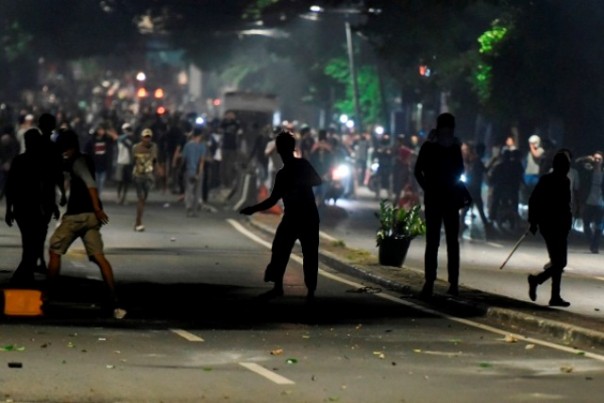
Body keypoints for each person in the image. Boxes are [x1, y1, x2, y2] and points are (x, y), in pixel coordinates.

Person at [46, 129, 126, 319]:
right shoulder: (84, 159)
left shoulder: (78, 162)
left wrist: (97, 208)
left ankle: (48, 294)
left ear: (68, 147)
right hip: (91, 218)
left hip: (78, 215)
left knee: (54, 250)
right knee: (98, 256)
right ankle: (113, 297)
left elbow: (90, 184)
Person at [239, 130, 322, 301]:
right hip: (303, 216)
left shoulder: (287, 173)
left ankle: (295, 289)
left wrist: (252, 209)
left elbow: (272, 200)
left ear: (278, 150)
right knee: (294, 251)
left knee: (290, 251)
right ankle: (302, 290)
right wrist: (253, 209)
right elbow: (316, 181)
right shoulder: (296, 168)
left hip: (299, 217)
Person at [414, 113, 465, 298]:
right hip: (439, 198)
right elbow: (417, 171)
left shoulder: (445, 147)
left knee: (447, 242)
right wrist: (429, 188)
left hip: (445, 199)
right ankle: (432, 281)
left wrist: (428, 187)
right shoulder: (432, 147)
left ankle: (450, 283)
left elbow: (460, 170)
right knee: (437, 242)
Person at [4, 129, 59, 284]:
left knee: (29, 241)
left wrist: (9, 209)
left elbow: (11, 187)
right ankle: (24, 273)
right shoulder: (42, 161)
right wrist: (52, 205)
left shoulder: (20, 160)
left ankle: (24, 273)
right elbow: (48, 185)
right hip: (37, 208)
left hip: (24, 207)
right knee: (34, 241)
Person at [527, 151, 573, 307]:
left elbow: (566, 205)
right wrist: (533, 222)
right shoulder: (547, 180)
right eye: (565, 165)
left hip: (561, 225)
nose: (566, 168)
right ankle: (539, 282)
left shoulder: (565, 181)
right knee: (559, 262)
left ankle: (553, 294)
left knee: (559, 262)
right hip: (549, 225)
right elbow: (534, 200)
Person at [575, 150, 604, 253]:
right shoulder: (588, 169)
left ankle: (595, 246)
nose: (597, 161)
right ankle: (592, 243)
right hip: (588, 201)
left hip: (600, 202)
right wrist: (586, 157)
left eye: (599, 159)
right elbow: (576, 163)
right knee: (586, 224)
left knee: (599, 225)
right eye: (595, 158)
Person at [132, 128, 158, 232]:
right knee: (141, 198)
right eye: (145, 137)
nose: (147, 139)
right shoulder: (135, 147)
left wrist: (156, 172)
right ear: (141, 137)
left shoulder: (153, 147)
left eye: (149, 137)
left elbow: (154, 160)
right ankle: (138, 222)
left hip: (148, 176)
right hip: (138, 175)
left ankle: (138, 220)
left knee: (143, 199)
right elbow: (133, 161)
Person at [182, 127, 206, 216]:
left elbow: (184, 158)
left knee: (189, 190)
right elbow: (202, 161)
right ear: (200, 136)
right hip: (198, 171)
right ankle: (195, 210)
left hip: (189, 171)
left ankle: (188, 207)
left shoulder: (187, 145)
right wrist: (199, 172)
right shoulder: (202, 146)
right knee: (197, 191)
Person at [115, 123, 136, 204]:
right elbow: (122, 140)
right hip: (121, 161)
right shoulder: (121, 139)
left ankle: (124, 197)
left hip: (128, 162)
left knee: (126, 181)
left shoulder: (131, 140)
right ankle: (119, 197)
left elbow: (130, 145)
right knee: (119, 181)